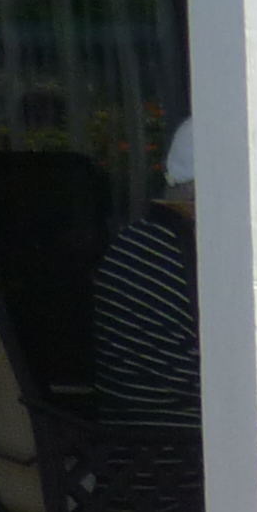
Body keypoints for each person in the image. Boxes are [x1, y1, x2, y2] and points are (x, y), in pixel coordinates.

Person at [89, 119, 201, 426]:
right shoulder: (169, 252)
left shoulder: (143, 239)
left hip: (149, 438)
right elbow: (212, 378)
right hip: (173, 442)